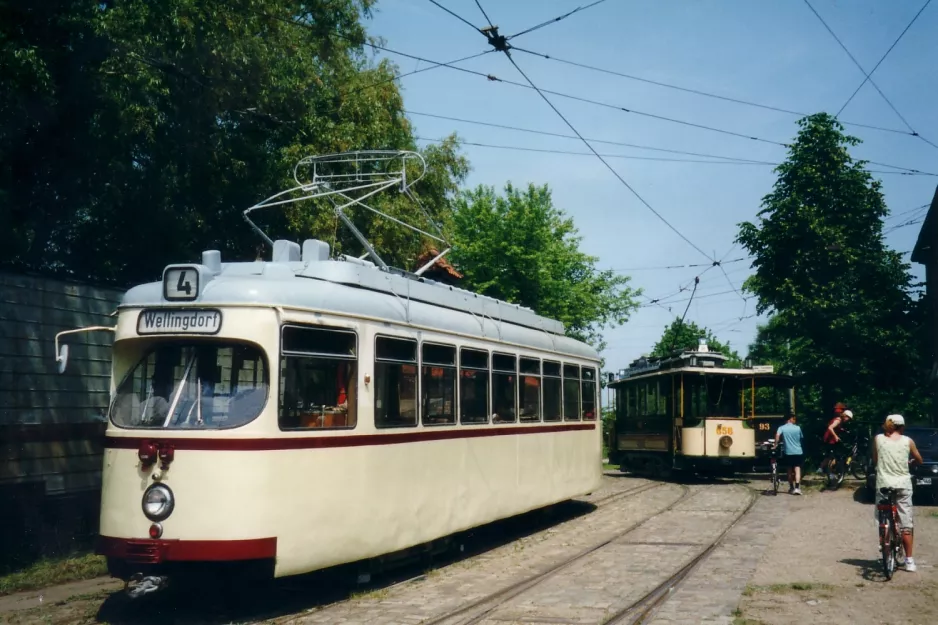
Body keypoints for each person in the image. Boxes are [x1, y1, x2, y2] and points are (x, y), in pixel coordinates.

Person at [873, 414, 923, 572]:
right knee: (906, 524)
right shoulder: (908, 441)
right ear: (902, 427)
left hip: (884, 484)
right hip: (903, 485)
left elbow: (875, 460)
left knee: (883, 514)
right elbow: (919, 459)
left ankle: (884, 537)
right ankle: (909, 561)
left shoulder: (878, 439)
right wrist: (910, 462)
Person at [775, 413, 805, 495]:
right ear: (790, 419)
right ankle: (797, 488)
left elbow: (777, 436)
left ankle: (791, 487)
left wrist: (775, 445)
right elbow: (801, 438)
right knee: (797, 468)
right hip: (798, 451)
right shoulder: (798, 428)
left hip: (788, 452)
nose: (794, 420)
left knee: (789, 470)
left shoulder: (781, 428)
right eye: (793, 419)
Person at [820, 403, 853, 476]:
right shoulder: (838, 420)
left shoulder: (839, 421)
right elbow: (830, 427)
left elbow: (836, 427)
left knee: (830, 456)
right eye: (848, 418)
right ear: (845, 416)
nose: (848, 420)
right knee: (834, 456)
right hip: (830, 439)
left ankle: (822, 469)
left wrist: (842, 430)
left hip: (830, 439)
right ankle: (829, 472)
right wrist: (835, 436)